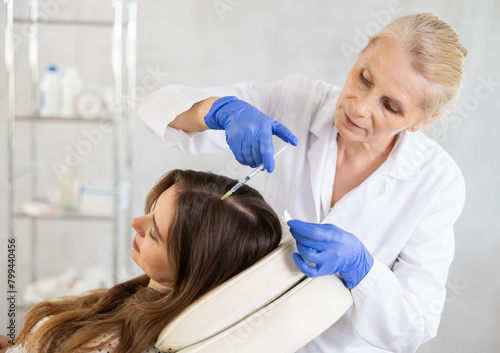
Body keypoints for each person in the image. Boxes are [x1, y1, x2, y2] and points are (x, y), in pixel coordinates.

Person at [137, 13, 467, 353]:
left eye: (390, 107)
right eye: (364, 78)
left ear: (421, 122)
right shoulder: (297, 102)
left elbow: (414, 326)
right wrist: (218, 110)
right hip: (236, 338)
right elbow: (156, 109)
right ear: (363, 50)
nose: (360, 106)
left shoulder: (436, 183)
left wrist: (362, 271)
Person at [0, 170, 282, 353]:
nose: (136, 222)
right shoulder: (137, 302)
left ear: (190, 269)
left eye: (154, 233)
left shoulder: (116, 343)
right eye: (152, 211)